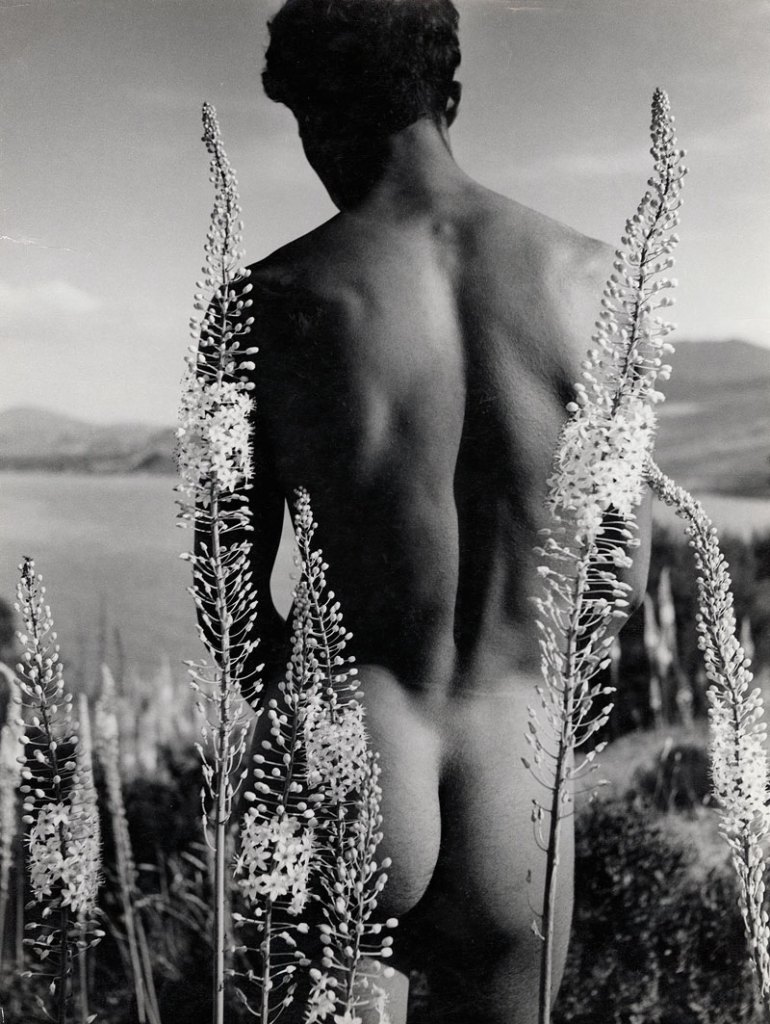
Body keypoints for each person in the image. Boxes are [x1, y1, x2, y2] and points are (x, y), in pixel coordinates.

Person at [239, 1, 651, 1020]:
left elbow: (230, 587)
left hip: (352, 736)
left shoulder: (271, 296)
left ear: (312, 118)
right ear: (449, 96)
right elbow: (618, 576)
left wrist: (293, 720)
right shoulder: (600, 281)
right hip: (517, 756)